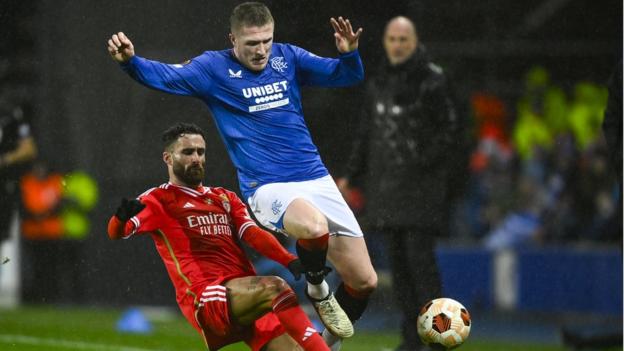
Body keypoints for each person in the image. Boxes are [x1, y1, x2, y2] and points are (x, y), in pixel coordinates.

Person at [107, 2, 377, 348]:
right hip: (266, 185)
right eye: (252, 43)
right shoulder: (212, 68)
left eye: (266, 40)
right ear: (232, 38)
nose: (261, 50)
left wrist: (350, 54)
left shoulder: (287, 57)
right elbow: (167, 76)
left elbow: (347, 75)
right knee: (313, 227)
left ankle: (329, 343)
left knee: (364, 280)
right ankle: (318, 289)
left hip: (314, 177)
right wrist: (131, 62)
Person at [107, 122, 329, 351]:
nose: (196, 158)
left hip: (245, 294)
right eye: (187, 152)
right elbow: (117, 233)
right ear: (168, 158)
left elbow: (252, 233)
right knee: (275, 287)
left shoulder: (224, 197)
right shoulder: (158, 199)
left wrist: (289, 260)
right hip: (207, 295)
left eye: (200, 152)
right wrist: (119, 220)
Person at [336, 17, 467, 351]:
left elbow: (453, 131)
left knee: (421, 267)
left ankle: (438, 340)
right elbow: (367, 134)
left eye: (403, 39)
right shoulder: (378, 81)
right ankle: (411, 340)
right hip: (386, 190)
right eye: (392, 38)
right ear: (384, 42)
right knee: (400, 270)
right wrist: (351, 174)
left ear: (415, 41)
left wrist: (422, 163)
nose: (397, 45)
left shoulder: (433, 80)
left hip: (421, 191)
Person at [0, 102, 37, 254]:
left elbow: (29, 149)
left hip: (6, 183)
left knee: (5, 233)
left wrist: (6, 159)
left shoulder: (12, 116)